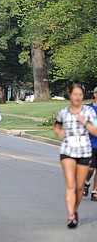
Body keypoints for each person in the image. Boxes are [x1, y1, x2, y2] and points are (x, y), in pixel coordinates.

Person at [54, 84, 97, 228]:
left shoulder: (89, 112)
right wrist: (59, 133)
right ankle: (71, 215)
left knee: (79, 187)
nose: (77, 97)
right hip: (68, 150)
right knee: (70, 184)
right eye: (75, 94)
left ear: (82, 96)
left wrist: (85, 122)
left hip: (84, 150)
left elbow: (95, 131)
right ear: (70, 96)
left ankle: (75, 209)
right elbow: (57, 126)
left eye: (80, 94)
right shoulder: (63, 112)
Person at [83, 87, 97, 201]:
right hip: (90, 143)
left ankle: (95, 191)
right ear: (95, 94)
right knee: (90, 169)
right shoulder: (88, 108)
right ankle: (86, 182)